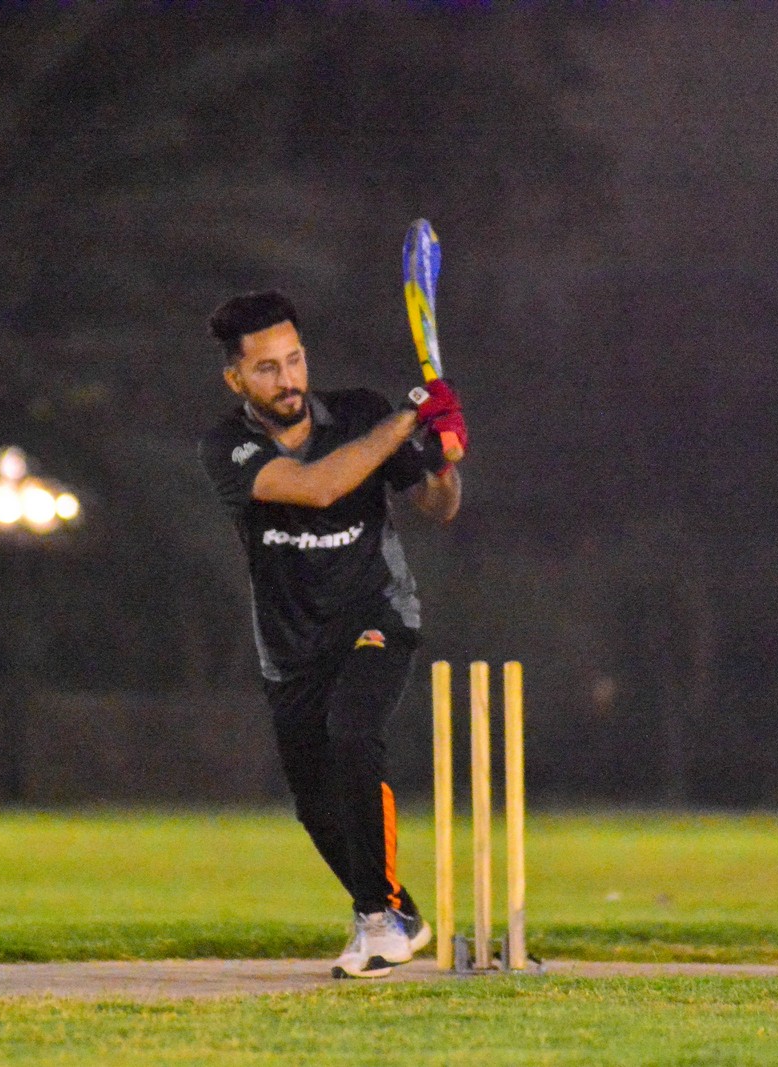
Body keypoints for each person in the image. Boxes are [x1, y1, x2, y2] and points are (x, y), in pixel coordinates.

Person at [197, 290, 467, 978]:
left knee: (353, 730)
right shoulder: (228, 446)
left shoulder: (359, 413)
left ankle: (375, 922)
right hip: (291, 647)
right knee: (315, 805)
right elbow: (317, 486)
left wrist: (441, 454)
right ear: (235, 378)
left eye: (294, 360)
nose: (288, 379)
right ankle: (400, 913)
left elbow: (439, 506)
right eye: (267, 369)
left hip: (377, 615)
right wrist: (408, 417)